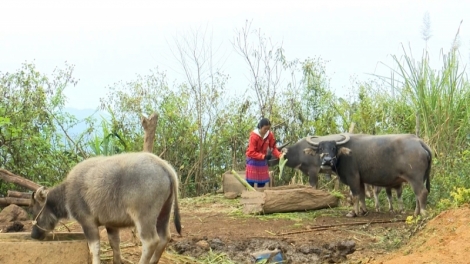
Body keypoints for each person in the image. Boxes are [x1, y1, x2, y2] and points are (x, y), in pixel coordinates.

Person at [245, 118, 284, 188]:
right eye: (265, 129)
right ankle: (250, 196)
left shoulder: (269, 135)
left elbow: (273, 148)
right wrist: (264, 156)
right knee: (251, 183)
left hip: (262, 161)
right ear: (260, 127)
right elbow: (251, 152)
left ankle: (260, 197)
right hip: (253, 160)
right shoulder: (254, 136)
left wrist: (279, 155)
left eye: (268, 129)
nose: (266, 131)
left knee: (262, 183)